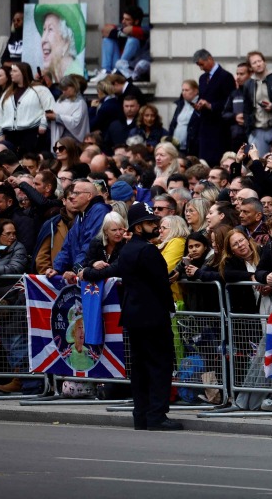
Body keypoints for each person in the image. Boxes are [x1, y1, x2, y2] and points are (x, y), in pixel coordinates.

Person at [82, 202, 180, 430]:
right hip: (153, 316)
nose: (155, 226)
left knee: (139, 368)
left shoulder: (127, 249)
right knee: (158, 366)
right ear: (137, 228)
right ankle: (157, 416)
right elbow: (160, 284)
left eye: (155, 222)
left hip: (133, 315)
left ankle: (142, 416)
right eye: (149, 223)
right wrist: (170, 306)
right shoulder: (147, 250)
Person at [0, 62, 55, 155]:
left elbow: (49, 107)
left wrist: (43, 124)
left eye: (14, 71)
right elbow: (0, 112)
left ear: (23, 73)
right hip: (10, 135)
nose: (11, 73)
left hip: (32, 133)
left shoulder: (40, 89)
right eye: (11, 71)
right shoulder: (8, 92)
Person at [191, 49, 236, 166]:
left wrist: (211, 105)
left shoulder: (225, 77)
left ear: (209, 59)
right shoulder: (202, 78)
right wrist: (199, 105)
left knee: (217, 161)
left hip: (220, 127)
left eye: (202, 64)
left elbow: (229, 101)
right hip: (205, 126)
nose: (201, 68)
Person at [34, 4, 86, 80]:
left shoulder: (75, 76)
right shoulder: (53, 75)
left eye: (50, 29)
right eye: (44, 29)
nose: (43, 39)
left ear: (66, 43)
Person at [100, 5, 148, 79]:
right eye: (123, 18)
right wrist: (119, 33)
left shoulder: (143, 31)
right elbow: (105, 30)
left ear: (136, 21)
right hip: (115, 65)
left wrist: (117, 32)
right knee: (107, 40)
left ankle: (120, 70)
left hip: (130, 67)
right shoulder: (121, 27)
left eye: (127, 19)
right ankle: (106, 71)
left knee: (133, 40)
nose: (123, 21)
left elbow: (131, 30)